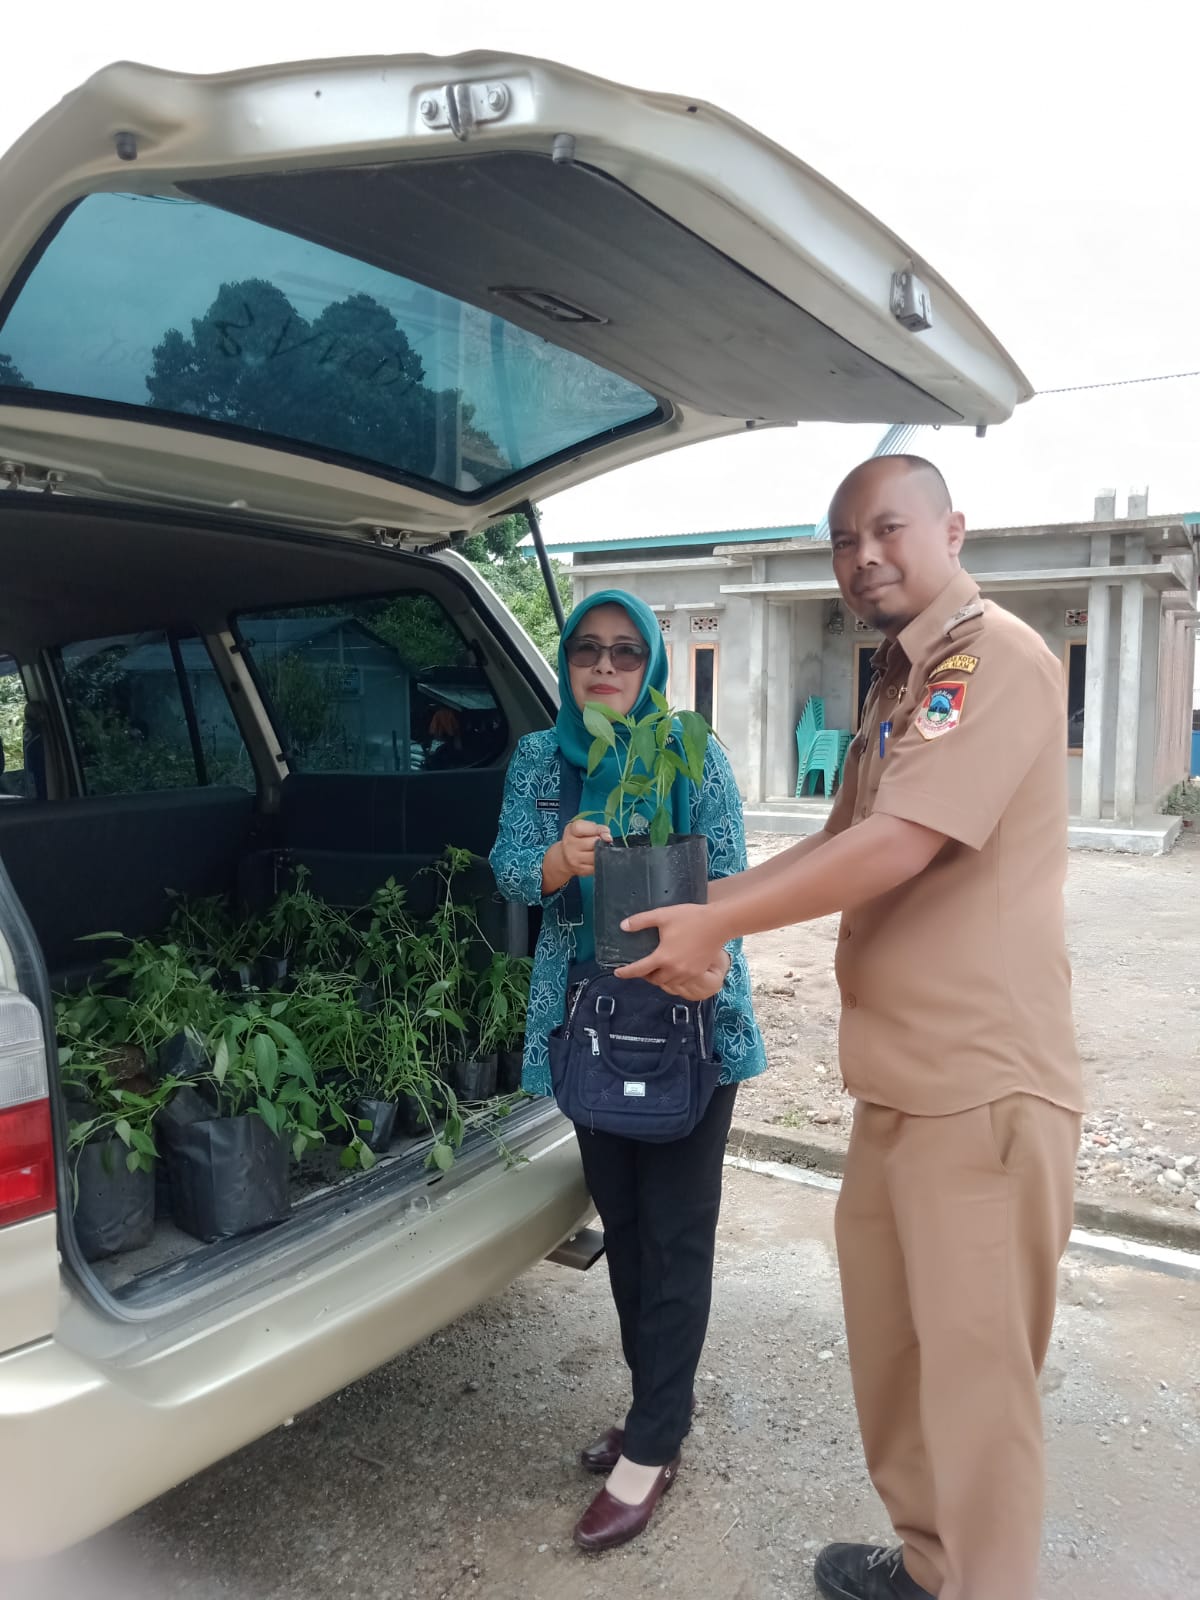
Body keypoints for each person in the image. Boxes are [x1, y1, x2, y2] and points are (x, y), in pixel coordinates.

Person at [617, 459, 1084, 1600]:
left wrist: (717, 918)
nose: (863, 554)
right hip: (899, 1084)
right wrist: (715, 912)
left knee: (977, 1398)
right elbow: (835, 844)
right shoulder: (898, 682)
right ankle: (932, 1569)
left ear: (952, 530)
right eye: (841, 539)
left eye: (887, 529)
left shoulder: (993, 663)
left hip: (979, 1089)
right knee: (896, 1361)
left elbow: (897, 847)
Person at [489, 588, 767, 1554]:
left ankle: (653, 1444)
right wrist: (558, 864)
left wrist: (700, 938)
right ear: (568, 665)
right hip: (591, 1031)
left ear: (649, 666)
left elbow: (732, 876)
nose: (605, 669)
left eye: (625, 655)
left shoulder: (690, 748)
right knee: (628, 1229)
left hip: (690, 1025)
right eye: (587, 653)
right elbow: (508, 870)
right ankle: (657, 1412)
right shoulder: (539, 757)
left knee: (678, 1233)